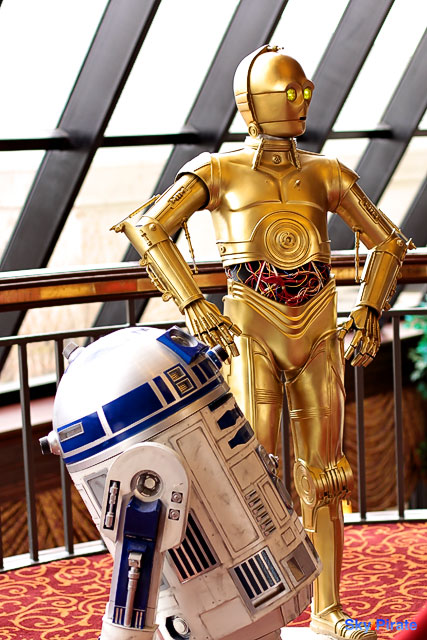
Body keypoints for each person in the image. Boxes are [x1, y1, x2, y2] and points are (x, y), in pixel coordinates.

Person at [113, 45, 413, 639]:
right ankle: (253, 618)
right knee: (249, 476)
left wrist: (367, 311)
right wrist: (193, 303)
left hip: (319, 328)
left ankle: (328, 610)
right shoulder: (218, 170)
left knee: (326, 476)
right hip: (250, 329)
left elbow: (388, 240)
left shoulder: (325, 172)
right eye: (289, 92)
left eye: (305, 92)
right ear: (254, 102)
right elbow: (148, 226)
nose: (301, 102)